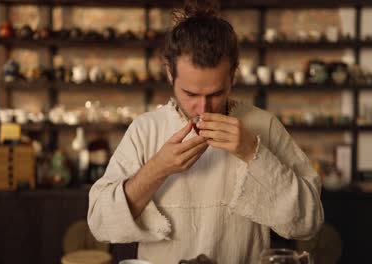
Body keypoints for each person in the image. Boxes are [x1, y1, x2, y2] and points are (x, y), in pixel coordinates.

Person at [88, 1, 324, 263]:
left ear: (233, 76)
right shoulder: (146, 130)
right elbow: (99, 222)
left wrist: (252, 152)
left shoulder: (264, 125)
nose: (203, 108)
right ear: (169, 73)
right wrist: (157, 169)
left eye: (216, 93)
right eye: (190, 93)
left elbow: (308, 221)